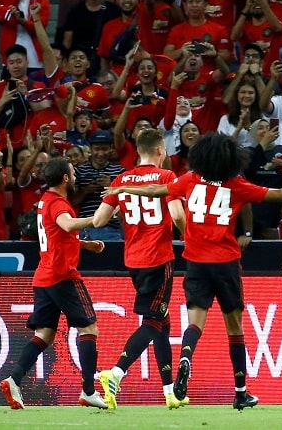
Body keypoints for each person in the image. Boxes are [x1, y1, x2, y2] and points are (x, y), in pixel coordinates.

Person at [102, 133, 282, 410]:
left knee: (194, 324)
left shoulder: (190, 179)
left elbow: (155, 190)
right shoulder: (237, 185)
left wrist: (123, 189)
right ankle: (241, 392)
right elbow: (281, 194)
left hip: (196, 263)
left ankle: (186, 358)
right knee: (235, 329)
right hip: (226, 264)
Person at [0, 157, 107, 410]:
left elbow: (55, 234)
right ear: (65, 178)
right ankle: (89, 391)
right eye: (73, 172)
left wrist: (84, 244)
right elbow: (66, 224)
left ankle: (14, 379)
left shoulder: (45, 200)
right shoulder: (58, 203)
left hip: (44, 276)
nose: (76, 176)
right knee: (89, 329)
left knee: (44, 335)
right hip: (63, 276)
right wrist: (94, 219)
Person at [94, 129, 187, 410]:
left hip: (133, 260)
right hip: (158, 258)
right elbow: (178, 215)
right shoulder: (166, 177)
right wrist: (191, 236)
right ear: (160, 150)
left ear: (138, 151)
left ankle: (170, 391)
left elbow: (98, 221)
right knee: (153, 322)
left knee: (163, 322)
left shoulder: (121, 180)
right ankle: (117, 372)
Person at [70, 130, 126, 240]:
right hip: (85, 228)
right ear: (90, 149)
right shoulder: (79, 172)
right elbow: (72, 203)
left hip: (112, 228)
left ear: (111, 148)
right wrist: (85, 191)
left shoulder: (120, 172)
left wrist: (111, 187)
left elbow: (127, 202)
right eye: (97, 149)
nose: (100, 153)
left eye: (104, 149)